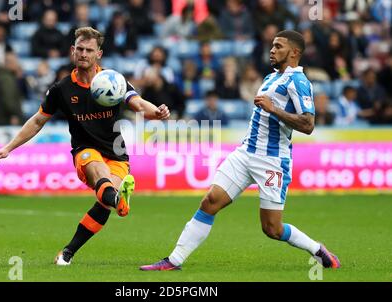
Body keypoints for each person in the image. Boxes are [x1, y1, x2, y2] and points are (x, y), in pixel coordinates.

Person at [140, 30, 341, 271]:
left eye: (278, 46)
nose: (272, 50)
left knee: (272, 229)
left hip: (272, 161)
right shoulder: (270, 78)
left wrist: (273, 109)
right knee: (210, 201)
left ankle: (317, 249)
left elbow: (308, 124)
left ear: (295, 52)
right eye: (272, 46)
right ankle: (173, 261)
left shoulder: (298, 81)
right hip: (245, 153)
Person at [0, 27, 170, 265]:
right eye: (80, 49)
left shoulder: (113, 81)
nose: (83, 54)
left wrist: (155, 112)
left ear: (99, 54)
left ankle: (68, 252)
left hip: (116, 154)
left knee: (104, 202)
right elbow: (37, 121)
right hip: (85, 151)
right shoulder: (61, 89)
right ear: (73, 51)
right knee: (100, 174)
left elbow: (137, 104)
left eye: (89, 50)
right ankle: (119, 199)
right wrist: (8, 148)